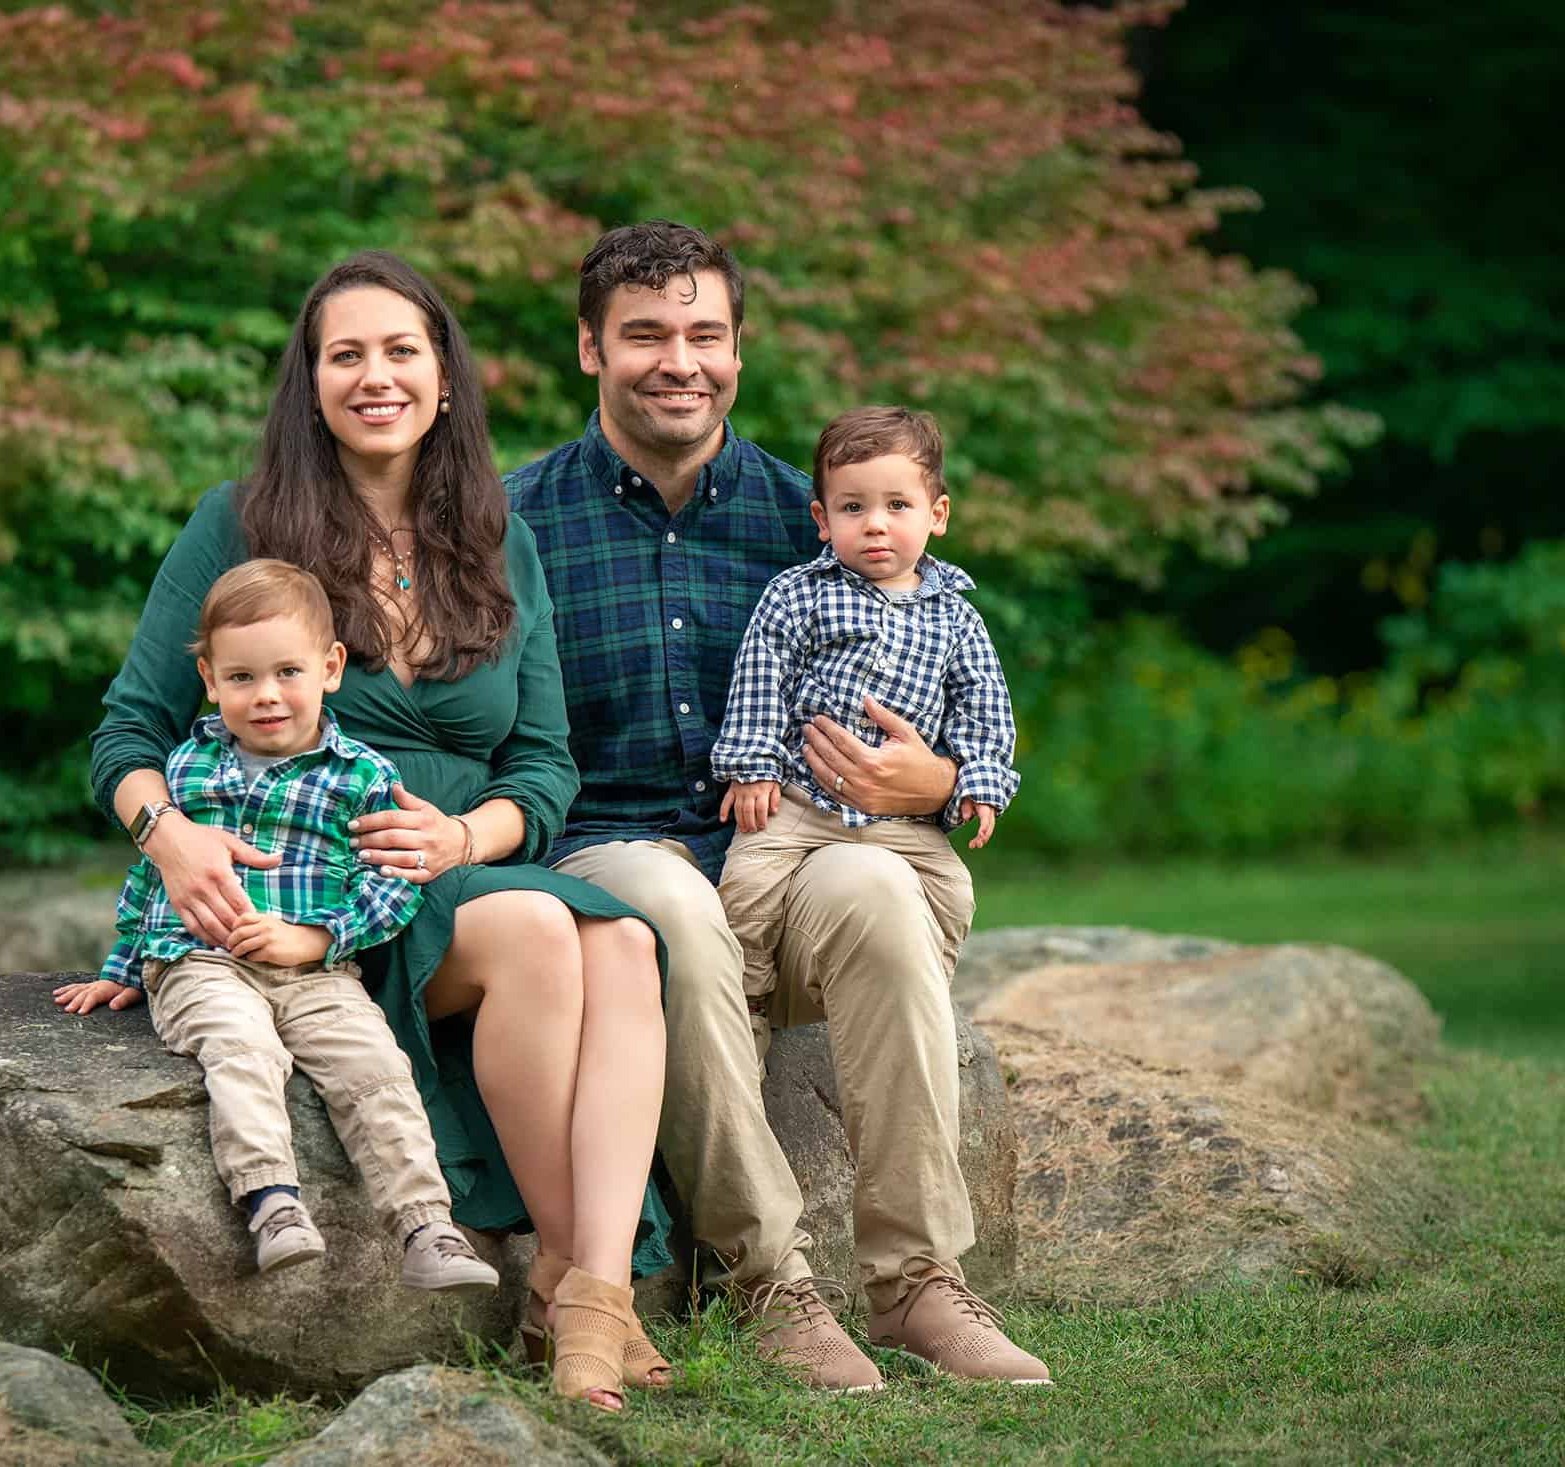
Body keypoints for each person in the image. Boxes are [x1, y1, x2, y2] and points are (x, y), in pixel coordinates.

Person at [87, 251, 669, 1412]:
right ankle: (583, 1298)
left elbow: (542, 762)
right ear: (309, 384)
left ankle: (582, 1288)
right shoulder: (239, 523)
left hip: (464, 866)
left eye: (401, 350)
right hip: (321, 894)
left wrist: (467, 837)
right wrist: (171, 839)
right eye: (343, 354)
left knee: (629, 945)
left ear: (443, 376)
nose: (375, 376)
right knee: (553, 938)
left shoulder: (494, 534)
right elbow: (126, 733)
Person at [508, 221, 1051, 1387]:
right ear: (589, 349)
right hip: (611, 856)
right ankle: (768, 1283)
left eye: (704, 334)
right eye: (644, 334)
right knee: (671, 902)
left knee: (875, 884)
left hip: (799, 856)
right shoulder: (517, 524)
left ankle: (913, 1284)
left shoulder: (813, 513)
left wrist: (946, 782)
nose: (678, 360)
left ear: (737, 352)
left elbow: (954, 680)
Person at [55, 558, 502, 1297]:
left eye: (287, 672)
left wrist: (320, 939)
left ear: (329, 669)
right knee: (241, 1045)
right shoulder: (186, 768)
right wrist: (123, 966)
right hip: (204, 960)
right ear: (209, 679)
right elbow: (153, 876)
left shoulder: (358, 774)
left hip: (317, 970)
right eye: (241, 678)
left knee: (373, 1065)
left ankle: (426, 1226)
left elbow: (391, 884)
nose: (265, 696)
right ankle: (272, 1202)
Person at [711, 405, 1018, 1075]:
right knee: (746, 886)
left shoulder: (957, 619)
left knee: (954, 893)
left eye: (896, 505)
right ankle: (748, 1007)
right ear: (822, 519)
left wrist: (981, 781)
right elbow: (762, 675)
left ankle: (920, 998)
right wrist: (753, 765)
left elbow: (982, 705)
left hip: (901, 818)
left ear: (936, 514)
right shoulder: (799, 595)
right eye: (853, 507)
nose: (875, 523)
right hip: (796, 803)